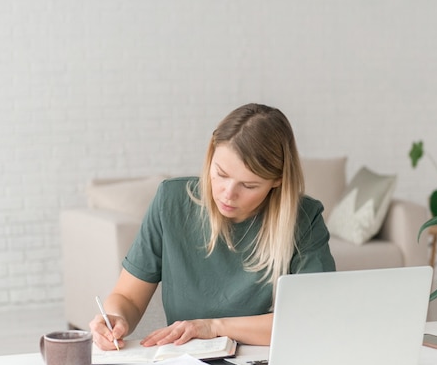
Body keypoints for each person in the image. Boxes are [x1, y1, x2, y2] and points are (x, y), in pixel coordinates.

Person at [90, 103, 335, 351]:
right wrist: (115, 318)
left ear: (277, 181)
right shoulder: (171, 201)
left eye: (249, 186)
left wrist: (214, 327)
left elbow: (312, 317)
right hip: (187, 362)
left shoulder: (304, 218)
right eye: (220, 173)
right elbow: (128, 297)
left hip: (266, 361)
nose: (228, 194)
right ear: (210, 155)